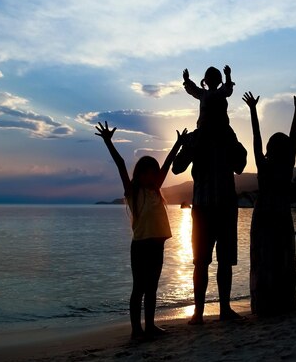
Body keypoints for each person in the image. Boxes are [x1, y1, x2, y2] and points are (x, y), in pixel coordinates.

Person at [95, 121, 187, 340]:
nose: (154, 176)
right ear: (140, 174)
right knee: (139, 289)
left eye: (155, 173)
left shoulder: (156, 190)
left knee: (152, 289)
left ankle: (151, 326)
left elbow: (167, 163)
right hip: (141, 247)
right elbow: (120, 163)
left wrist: (177, 144)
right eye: (149, 173)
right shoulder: (134, 193)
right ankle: (137, 330)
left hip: (157, 246)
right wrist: (109, 141)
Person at [172, 115, 247, 325]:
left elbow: (240, 165)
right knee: (202, 262)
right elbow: (177, 167)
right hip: (206, 208)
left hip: (221, 207)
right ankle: (199, 313)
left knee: (221, 262)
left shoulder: (227, 135)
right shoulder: (199, 138)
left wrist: (232, 140)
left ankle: (221, 309)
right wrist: (187, 144)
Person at [243, 91, 296, 316]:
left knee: (264, 259)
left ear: (269, 149)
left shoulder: (264, 165)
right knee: (281, 258)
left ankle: (264, 305)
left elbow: (256, 137)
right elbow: (293, 137)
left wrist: (253, 110)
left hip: (264, 214)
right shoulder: (286, 165)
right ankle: (283, 303)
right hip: (280, 213)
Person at [182, 65, 238, 147]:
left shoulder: (221, 92)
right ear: (205, 80)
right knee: (192, 144)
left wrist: (228, 76)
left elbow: (228, 89)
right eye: (209, 77)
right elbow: (193, 89)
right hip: (204, 128)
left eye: (213, 77)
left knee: (238, 150)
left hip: (222, 128)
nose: (211, 79)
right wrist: (187, 80)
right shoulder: (203, 93)